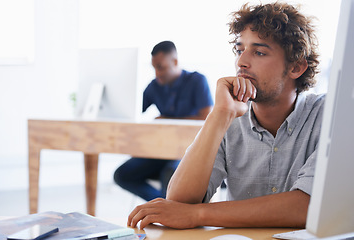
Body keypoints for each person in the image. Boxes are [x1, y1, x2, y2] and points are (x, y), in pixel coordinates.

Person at [128, 2, 324, 229]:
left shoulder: (327, 116)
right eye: (240, 50)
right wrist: (219, 115)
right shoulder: (229, 118)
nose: (241, 62)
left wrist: (198, 215)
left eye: (259, 52)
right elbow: (178, 203)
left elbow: (308, 206)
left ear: (297, 67)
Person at [114, 41, 213, 201]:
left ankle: (165, 207)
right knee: (121, 175)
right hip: (160, 151)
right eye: (154, 68)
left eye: (160, 67)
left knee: (170, 174)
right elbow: (133, 112)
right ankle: (160, 203)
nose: (157, 73)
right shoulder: (154, 87)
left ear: (174, 62)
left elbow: (207, 118)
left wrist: (167, 119)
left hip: (188, 152)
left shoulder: (197, 81)